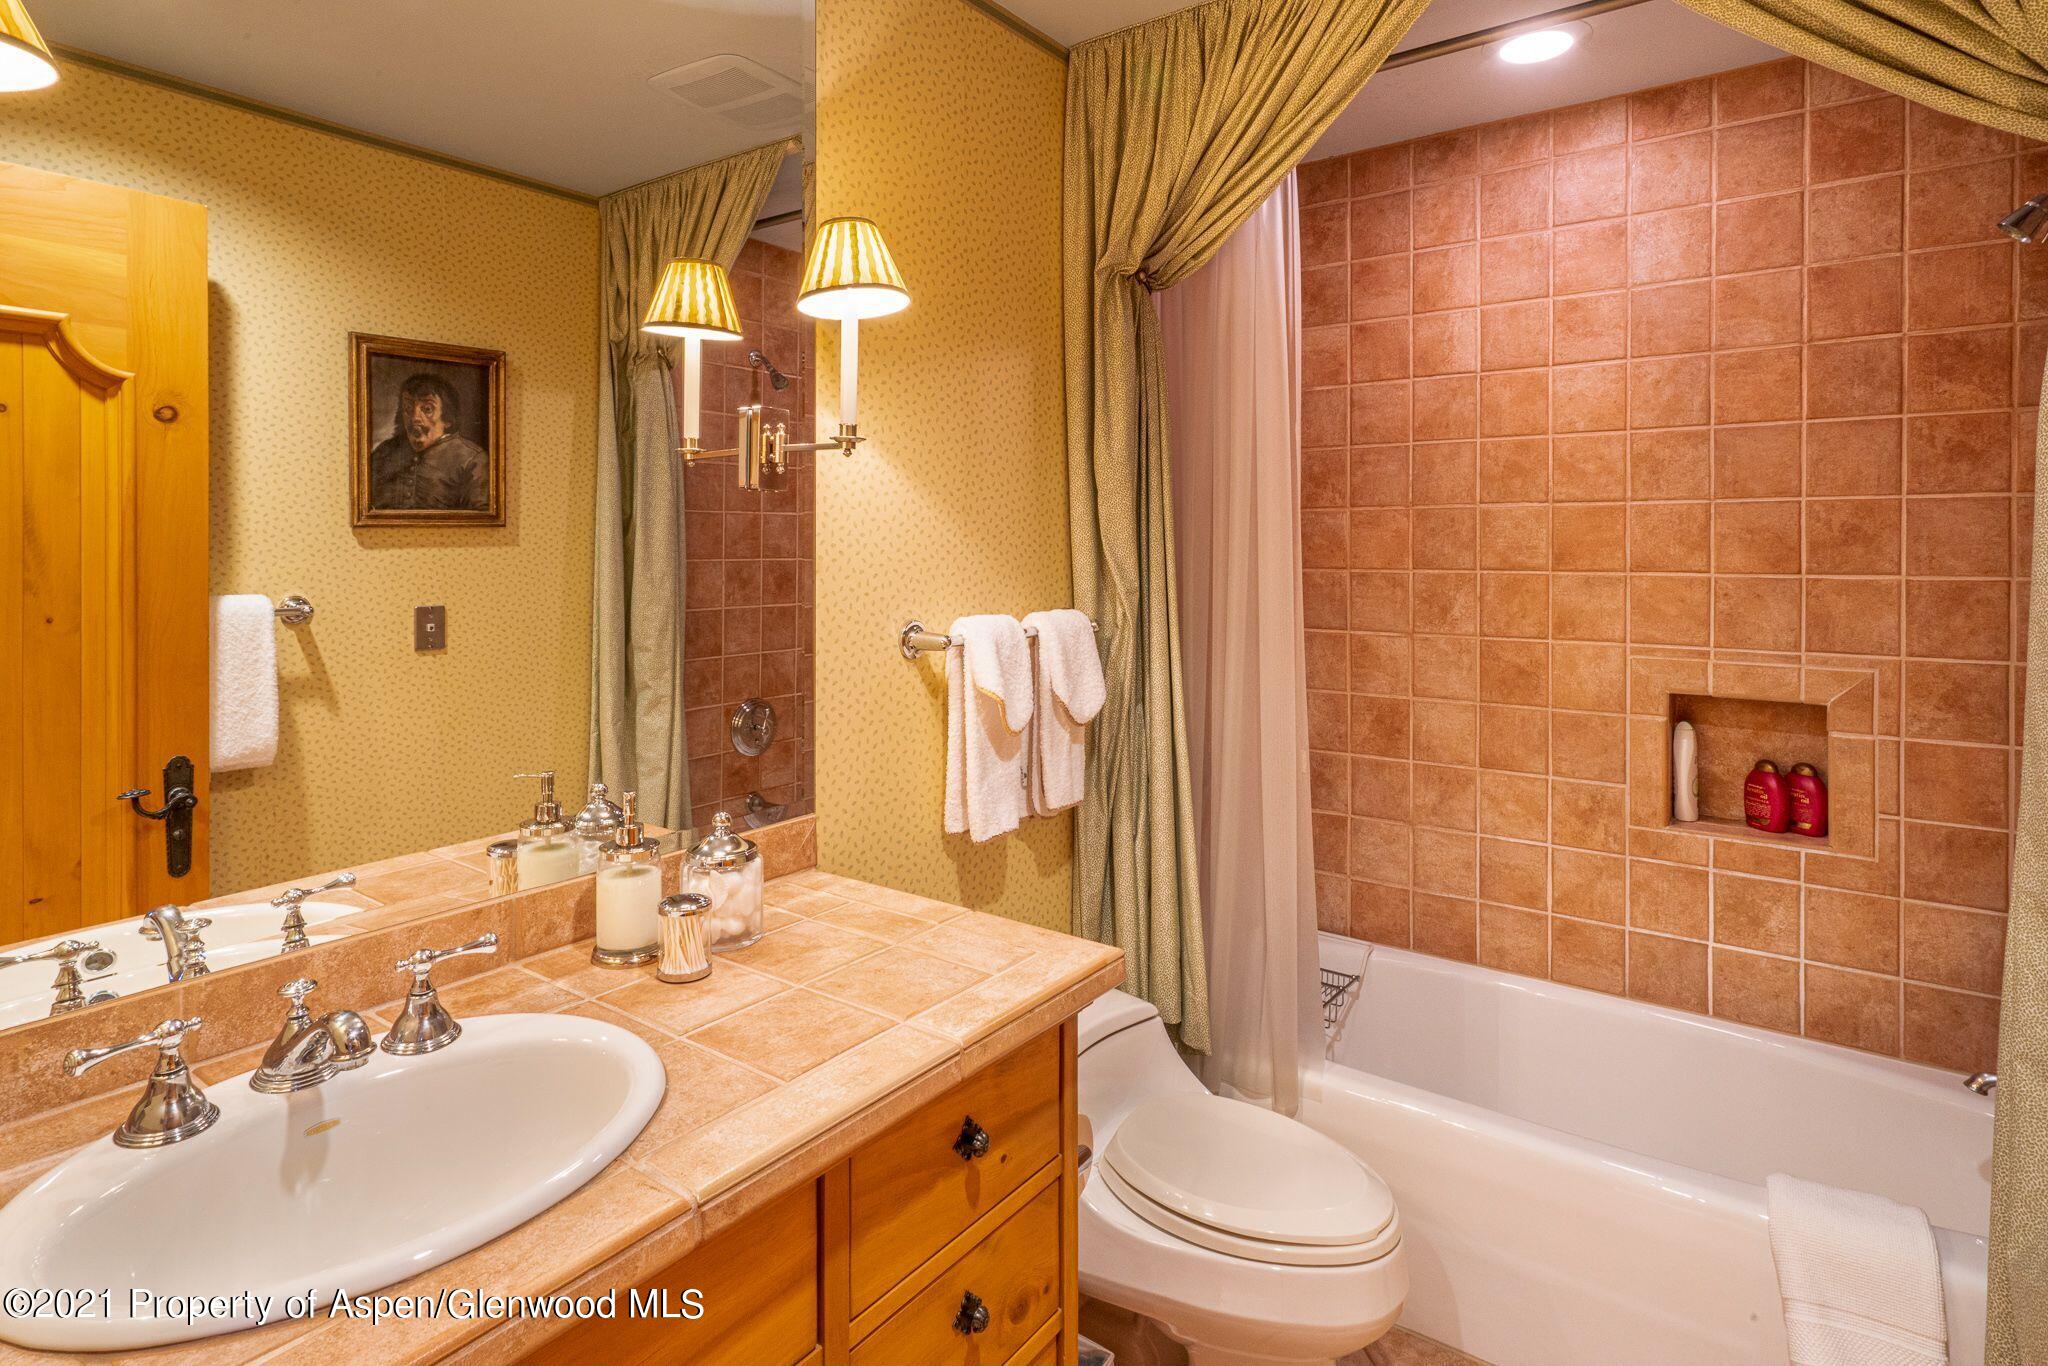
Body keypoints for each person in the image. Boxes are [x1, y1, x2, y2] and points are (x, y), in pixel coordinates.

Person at [368, 372, 487, 510]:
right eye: (408, 408)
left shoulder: (472, 460)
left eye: (427, 409)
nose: (415, 417)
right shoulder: (384, 452)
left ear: (447, 419)